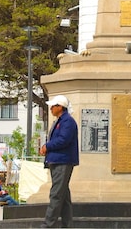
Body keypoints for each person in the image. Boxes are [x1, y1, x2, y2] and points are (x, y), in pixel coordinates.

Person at [39, 94, 79, 228]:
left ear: (60, 107)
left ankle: (48, 225)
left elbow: (63, 140)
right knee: (63, 196)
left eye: (53, 106)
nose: (50, 109)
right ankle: (67, 225)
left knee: (56, 194)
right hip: (58, 161)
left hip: (63, 161)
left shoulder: (67, 121)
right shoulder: (61, 121)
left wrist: (47, 146)